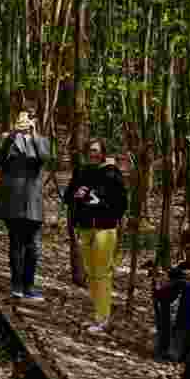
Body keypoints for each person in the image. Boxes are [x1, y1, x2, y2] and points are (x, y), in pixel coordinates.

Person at [63, 138, 128, 332]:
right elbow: (68, 196)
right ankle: (98, 316)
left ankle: (103, 318)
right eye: (90, 150)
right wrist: (77, 194)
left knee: (102, 273)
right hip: (84, 228)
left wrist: (95, 200)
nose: (93, 154)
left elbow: (120, 204)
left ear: (103, 153)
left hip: (105, 229)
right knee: (91, 274)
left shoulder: (112, 174)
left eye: (96, 151)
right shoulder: (81, 171)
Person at [0, 110, 51, 300]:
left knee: (33, 246)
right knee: (16, 242)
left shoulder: (41, 140)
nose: (26, 121)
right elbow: (0, 159)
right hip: (13, 198)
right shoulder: (8, 139)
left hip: (33, 199)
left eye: (30, 118)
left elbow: (43, 158)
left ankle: (29, 285)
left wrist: (33, 134)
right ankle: (16, 284)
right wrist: (11, 136)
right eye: (23, 118)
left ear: (35, 120)